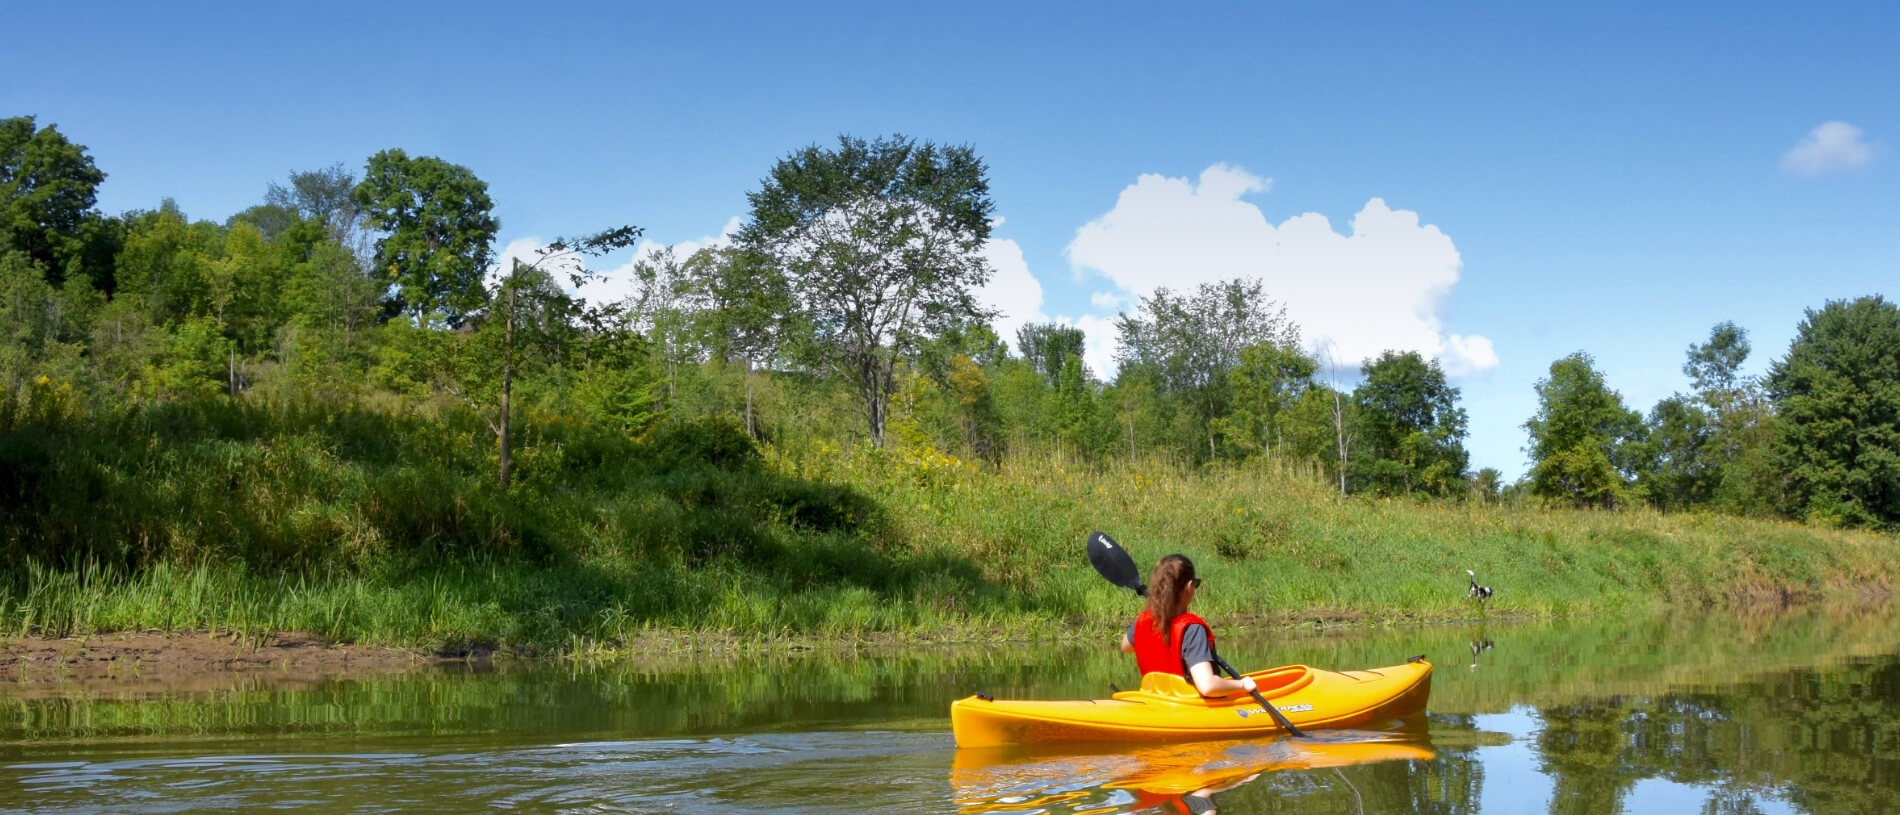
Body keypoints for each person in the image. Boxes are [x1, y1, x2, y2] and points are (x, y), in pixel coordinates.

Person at [1120, 553, 1258, 697]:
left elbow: (1125, 646)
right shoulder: (1192, 629)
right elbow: (1208, 686)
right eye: (1196, 584)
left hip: (1157, 700)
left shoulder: (1144, 620)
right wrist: (1242, 684)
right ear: (1190, 586)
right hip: (1189, 706)